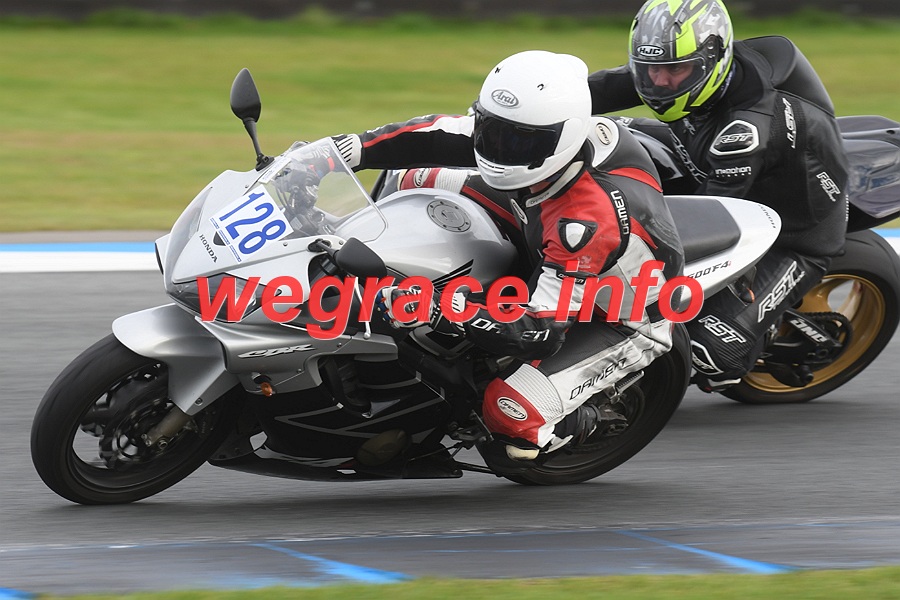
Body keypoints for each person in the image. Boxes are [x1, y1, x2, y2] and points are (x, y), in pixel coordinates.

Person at [326, 50, 684, 472]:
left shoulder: (586, 224)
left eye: (519, 141)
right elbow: (432, 135)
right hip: (540, 216)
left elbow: (538, 331)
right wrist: (337, 153)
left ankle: (577, 424)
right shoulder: (537, 137)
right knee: (410, 177)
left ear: (563, 138)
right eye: (491, 131)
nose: (499, 149)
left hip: (617, 314)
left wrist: (437, 308)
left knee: (509, 415)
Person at [587, 0, 849, 392]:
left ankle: (749, 336)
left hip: (793, 233)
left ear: (713, 61)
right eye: (651, 69)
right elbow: (597, 90)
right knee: (602, 134)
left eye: (675, 71)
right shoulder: (683, 69)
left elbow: (708, 225)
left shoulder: (746, 131)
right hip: (714, 165)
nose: (660, 83)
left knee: (711, 352)